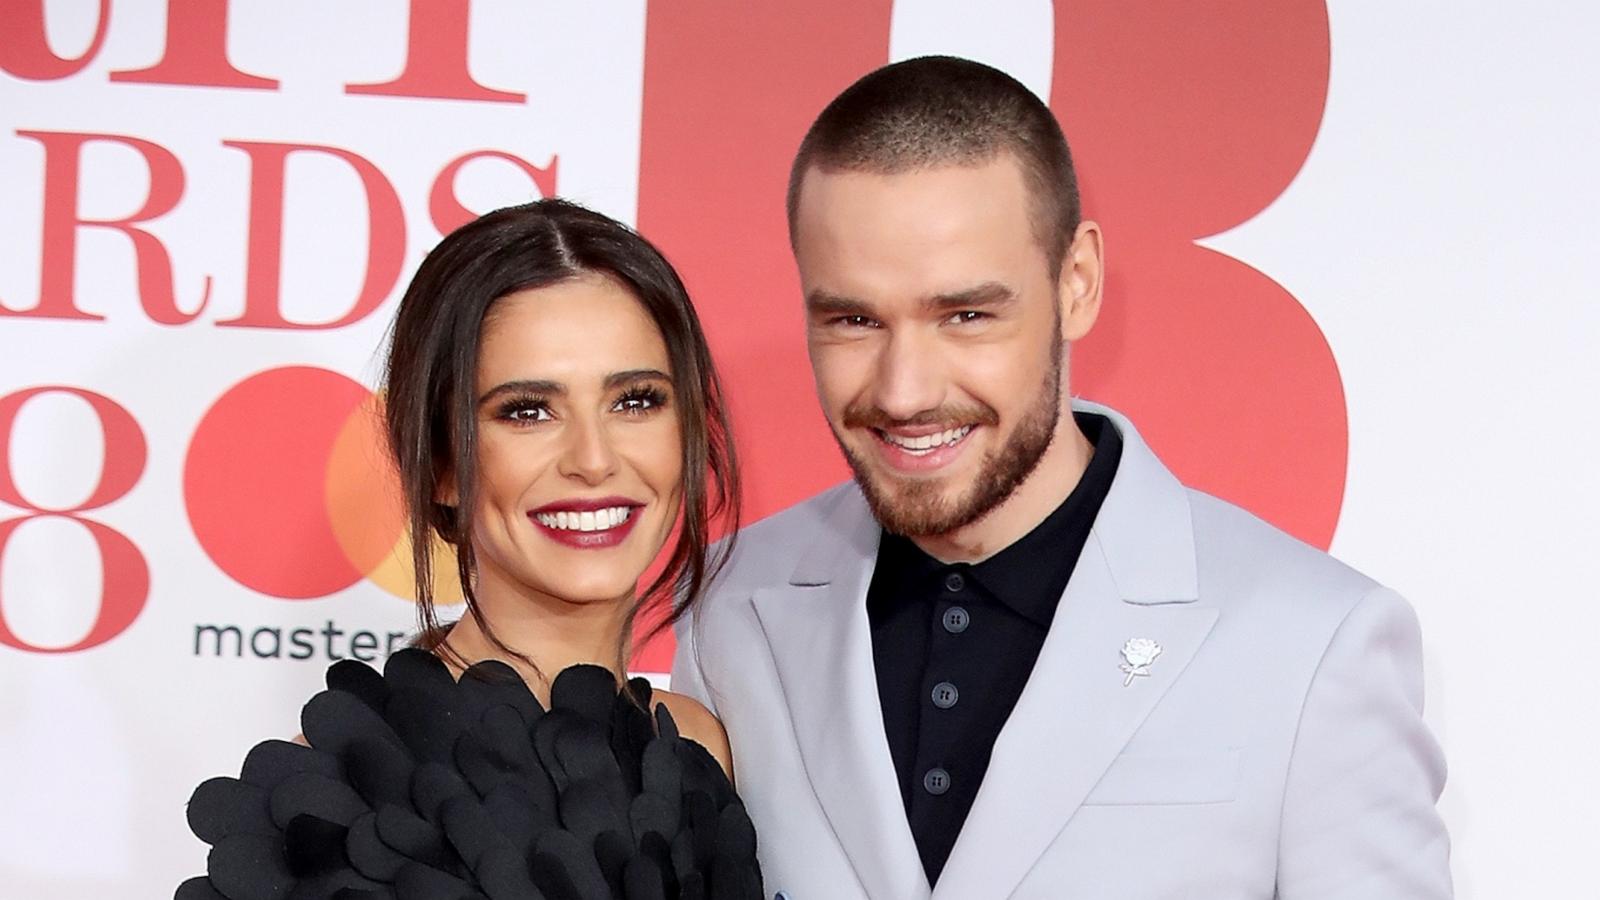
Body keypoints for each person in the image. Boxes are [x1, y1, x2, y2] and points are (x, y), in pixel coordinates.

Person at [671, 56, 1451, 899]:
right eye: (854, 320)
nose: (905, 391)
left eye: (965, 315)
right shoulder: (730, 605)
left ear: (1075, 282)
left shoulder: (1314, 642)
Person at [179, 199, 761, 900]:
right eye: (527, 410)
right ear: (443, 464)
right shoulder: (333, 797)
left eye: (636, 400)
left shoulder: (708, 751)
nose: (594, 458)